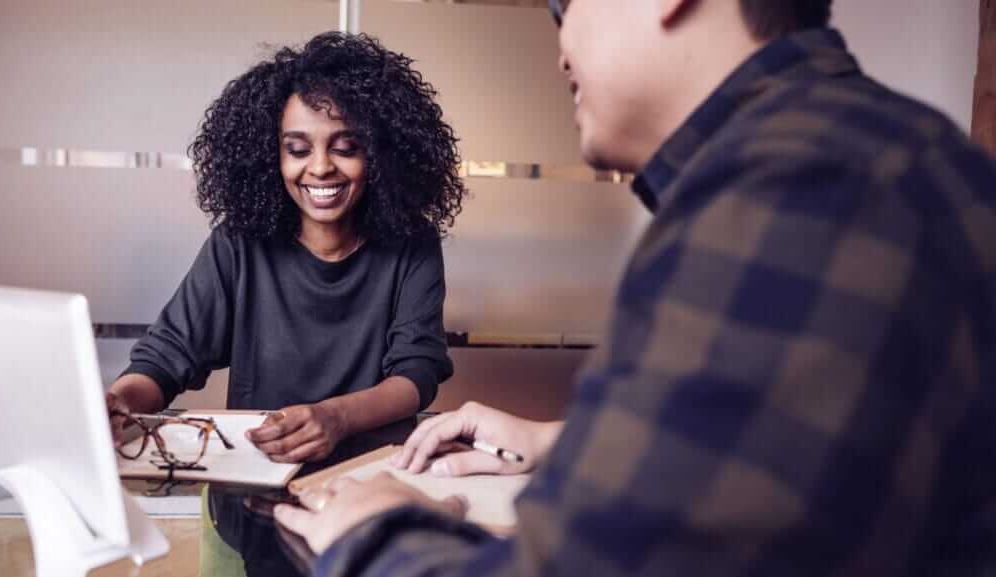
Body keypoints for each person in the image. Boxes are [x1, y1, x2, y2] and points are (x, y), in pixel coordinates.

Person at [274, 0, 996, 574]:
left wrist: (372, 532)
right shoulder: (881, 153)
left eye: (566, 7)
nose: (560, 49)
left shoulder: (801, 191)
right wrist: (562, 441)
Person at [107, 32, 465, 463]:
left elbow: (416, 374)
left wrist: (336, 417)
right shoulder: (237, 243)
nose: (319, 167)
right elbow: (168, 357)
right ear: (269, 157)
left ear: (379, 155)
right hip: (252, 485)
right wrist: (121, 401)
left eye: (346, 148)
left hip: (368, 485)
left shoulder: (412, 245)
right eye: (297, 149)